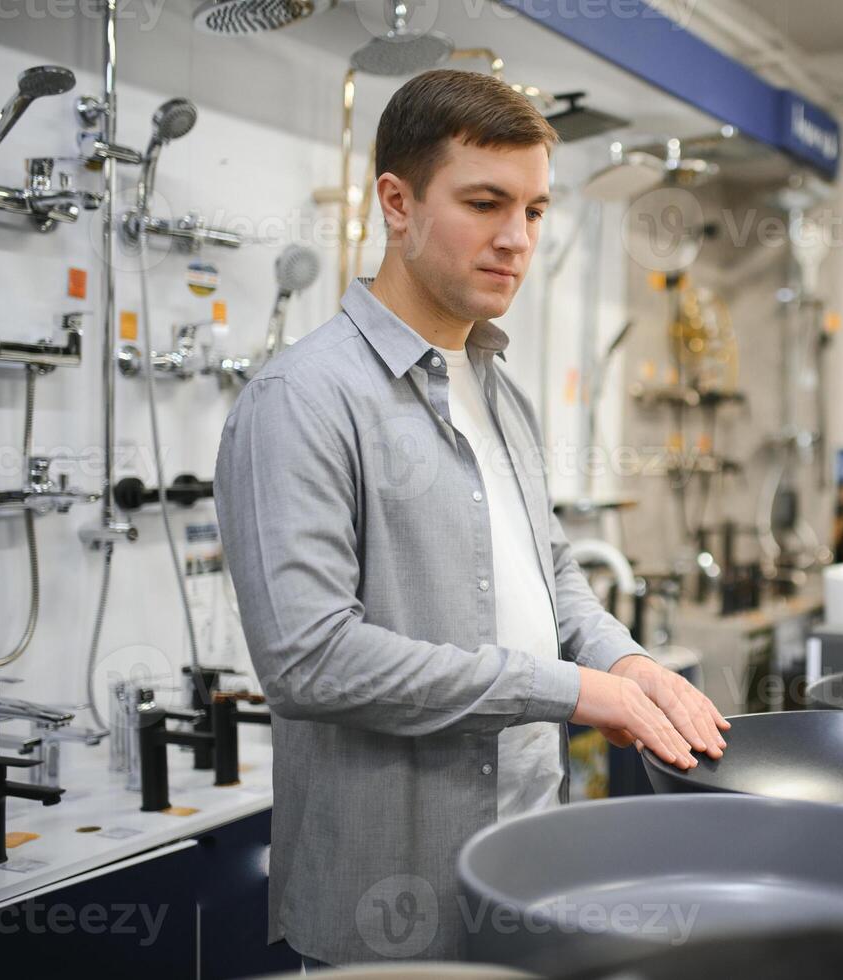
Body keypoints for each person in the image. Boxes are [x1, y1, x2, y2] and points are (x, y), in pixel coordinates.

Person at [215, 68, 728, 967]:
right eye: (485, 202)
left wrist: (628, 662)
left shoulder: (498, 392)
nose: (516, 239)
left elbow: (556, 580)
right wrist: (573, 691)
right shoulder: (302, 398)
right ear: (397, 203)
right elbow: (310, 661)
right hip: (390, 904)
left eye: (533, 211)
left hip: (529, 876)